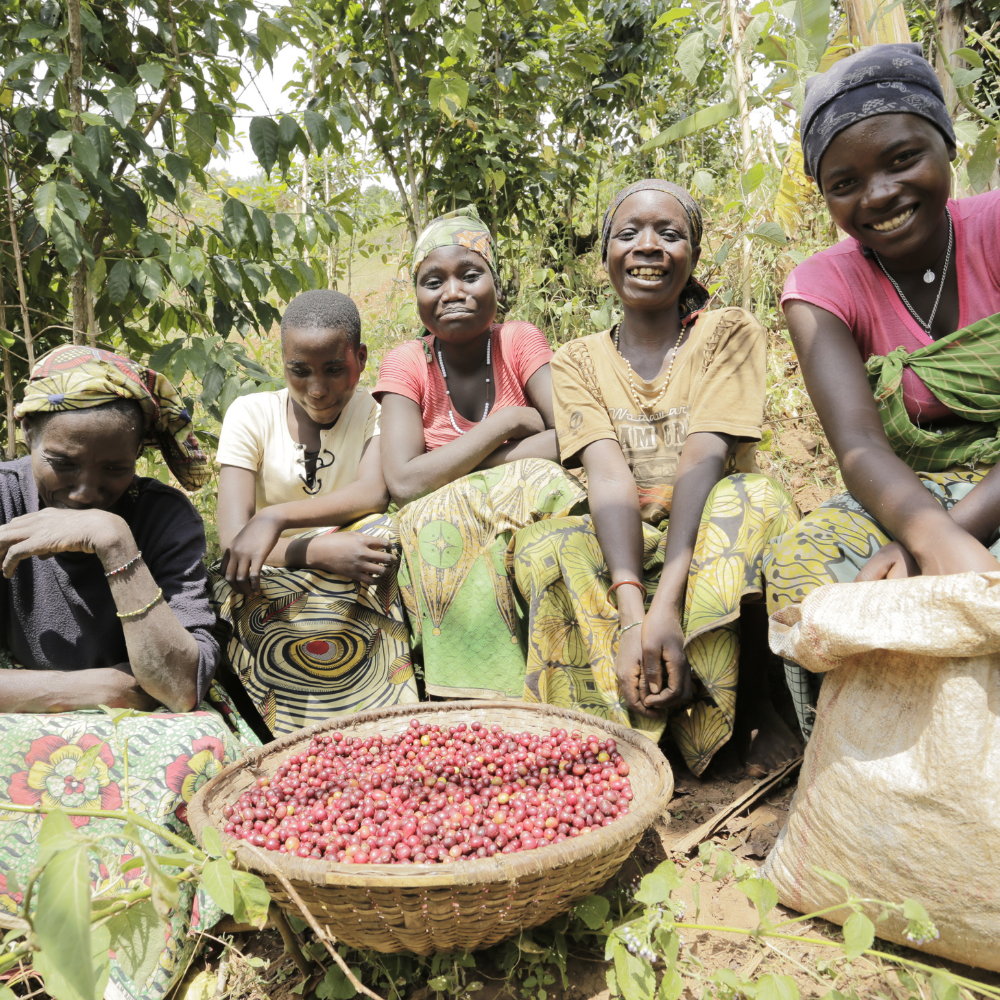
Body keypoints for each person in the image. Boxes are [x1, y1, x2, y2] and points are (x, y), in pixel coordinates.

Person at [509, 180, 802, 778]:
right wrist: (634, 617)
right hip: (629, 543)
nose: (648, 247)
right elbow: (607, 476)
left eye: (669, 234)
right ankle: (617, 724)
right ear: (605, 258)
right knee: (543, 546)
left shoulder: (728, 333)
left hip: (707, 538)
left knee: (749, 502)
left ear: (693, 255)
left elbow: (706, 457)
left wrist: (665, 601)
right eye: (629, 234)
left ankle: (748, 709)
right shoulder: (577, 361)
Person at [0, 344, 259, 1000]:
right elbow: (133, 690)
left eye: (114, 471)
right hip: (50, 721)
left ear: (139, 460)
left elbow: (176, 688)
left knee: (196, 747)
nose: (86, 490)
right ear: (25, 433)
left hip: (140, 727)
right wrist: (97, 688)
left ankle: (135, 960)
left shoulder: (159, 516)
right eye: (62, 463)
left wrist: (113, 541)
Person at [766, 43, 1000, 737]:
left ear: (947, 144)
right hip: (905, 489)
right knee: (804, 565)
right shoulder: (820, 287)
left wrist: (952, 536)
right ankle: (863, 777)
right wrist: (923, 530)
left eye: (902, 159)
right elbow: (861, 447)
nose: (879, 195)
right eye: (844, 184)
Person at [373, 206, 588, 699]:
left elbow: (574, 435)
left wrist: (452, 467)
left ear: (495, 282)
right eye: (433, 281)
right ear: (417, 296)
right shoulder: (408, 363)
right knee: (440, 512)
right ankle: (473, 699)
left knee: (545, 490)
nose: (452, 292)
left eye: (470, 274)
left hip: (524, 528)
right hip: (444, 541)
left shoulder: (517, 341)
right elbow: (404, 484)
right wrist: (507, 425)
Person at [211, 289, 418, 736]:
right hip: (272, 574)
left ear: (360, 359)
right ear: (282, 362)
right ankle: (283, 738)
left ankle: (379, 726)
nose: (318, 389)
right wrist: (316, 551)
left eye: (334, 369)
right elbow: (233, 539)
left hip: (353, 571)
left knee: (383, 536)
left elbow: (373, 492)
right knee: (235, 583)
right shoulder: (250, 414)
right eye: (298, 371)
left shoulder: (377, 409)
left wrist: (274, 517)